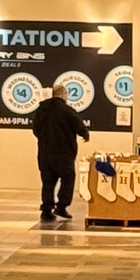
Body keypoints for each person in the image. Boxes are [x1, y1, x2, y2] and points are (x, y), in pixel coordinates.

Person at [30, 82, 89, 223]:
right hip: (63, 153)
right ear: (63, 95)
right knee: (68, 178)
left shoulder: (41, 110)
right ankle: (61, 206)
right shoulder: (67, 110)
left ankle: (46, 211)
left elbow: (35, 130)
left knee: (48, 182)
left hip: (44, 153)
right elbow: (79, 126)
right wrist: (85, 134)